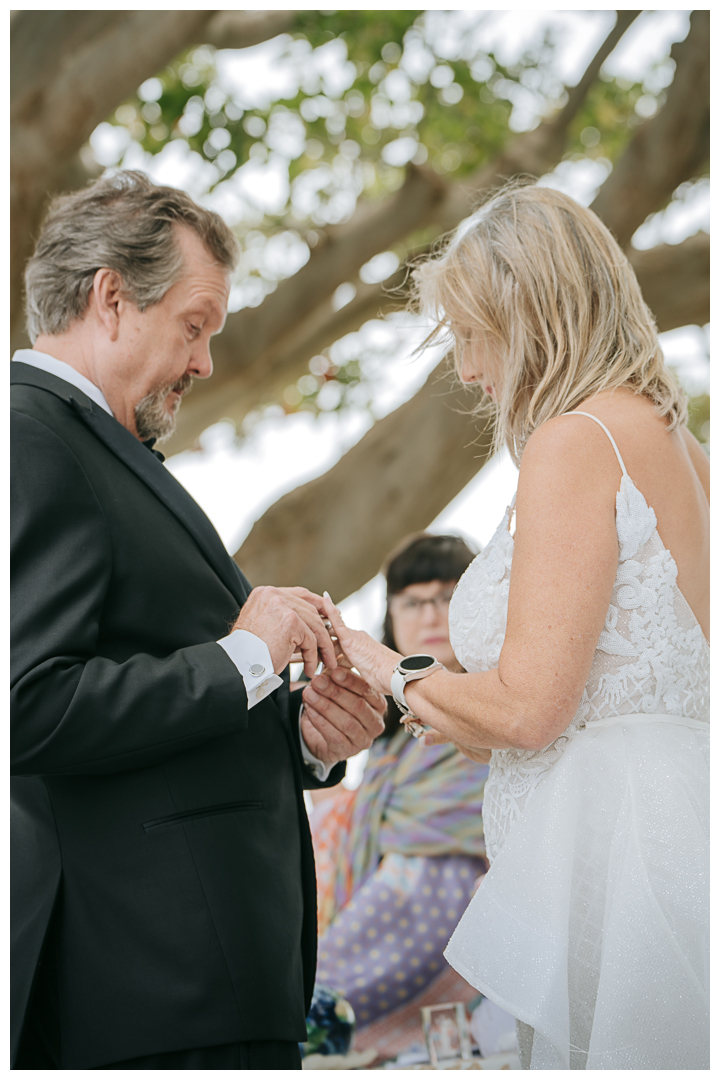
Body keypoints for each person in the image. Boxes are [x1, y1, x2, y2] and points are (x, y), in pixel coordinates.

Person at [320, 183, 709, 1070]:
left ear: (526, 312)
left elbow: (533, 709)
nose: (463, 368)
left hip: (613, 856)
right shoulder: (681, 446)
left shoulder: (577, 440)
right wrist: (462, 712)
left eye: (466, 332)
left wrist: (384, 667)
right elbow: (597, 692)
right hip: (673, 825)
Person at [10, 170, 386, 1070]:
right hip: (149, 983)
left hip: (199, 978)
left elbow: (151, 710)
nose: (206, 361)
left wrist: (305, 741)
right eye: (195, 325)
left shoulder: (95, 444)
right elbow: (28, 704)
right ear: (110, 298)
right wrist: (245, 657)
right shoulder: (31, 435)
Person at [310, 534, 489, 1034]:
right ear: (391, 614)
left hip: (448, 917)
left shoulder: (498, 710)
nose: (430, 617)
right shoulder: (389, 734)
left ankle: (320, 1009)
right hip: (372, 898)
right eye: (412, 602)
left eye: (447, 597)